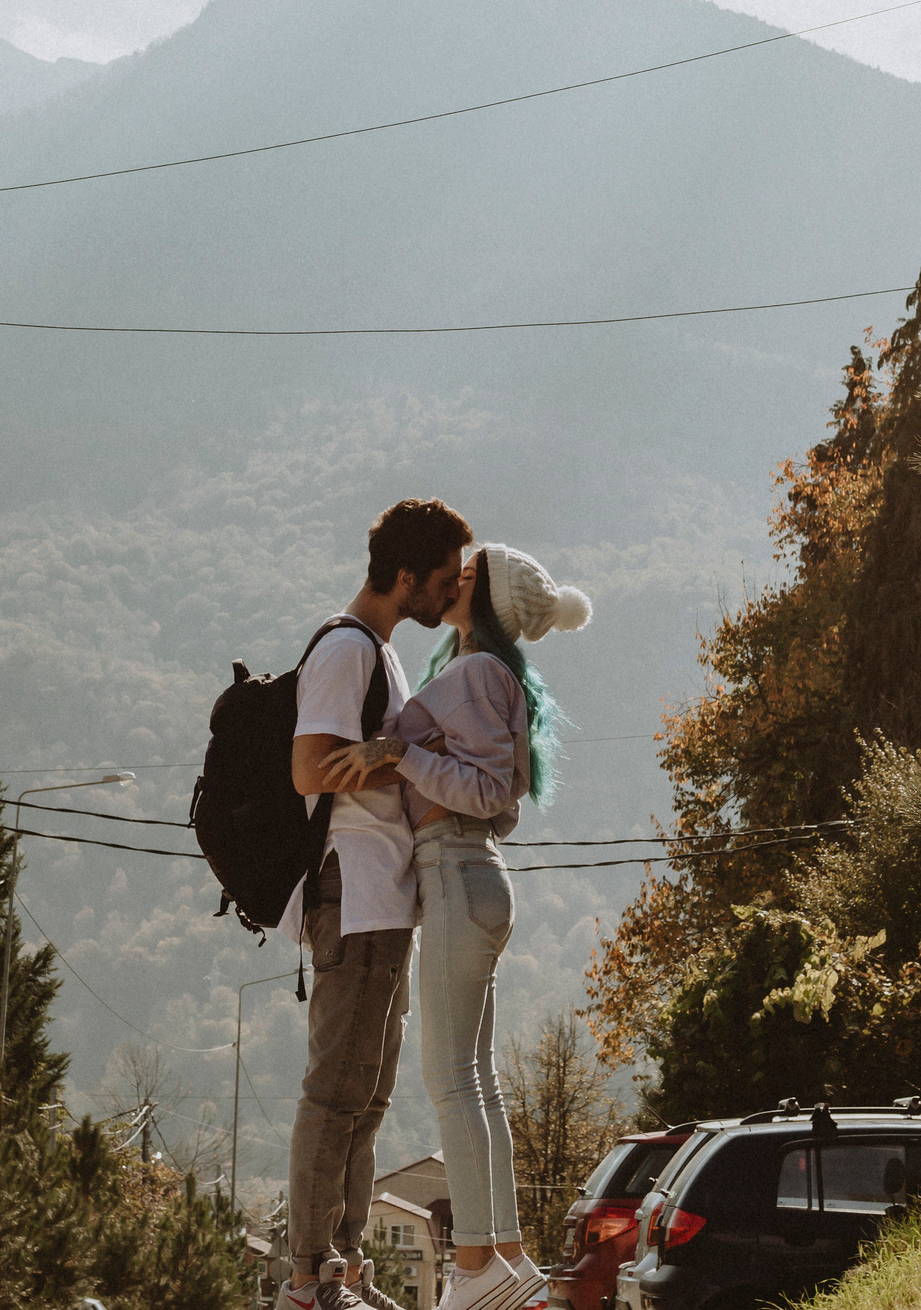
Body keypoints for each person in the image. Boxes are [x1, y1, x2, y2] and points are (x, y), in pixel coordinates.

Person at [328, 543, 593, 1310]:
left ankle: (475, 1265)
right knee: (478, 1080)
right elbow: (502, 797)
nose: (454, 579)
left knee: (451, 1079)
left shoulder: (478, 673)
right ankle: (504, 1256)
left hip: (453, 871)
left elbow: (480, 792)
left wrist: (400, 752)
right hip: (477, 876)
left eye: (469, 576)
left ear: (491, 603)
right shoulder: (498, 676)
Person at [281, 498, 474, 1310]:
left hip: (385, 902)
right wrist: (409, 760)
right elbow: (310, 768)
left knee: (368, 1092)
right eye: (441, 579)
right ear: (404, 576)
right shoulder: (347, 649)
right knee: (335, 1090)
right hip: (351, 892)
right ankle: (305, 1276)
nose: (447, 593)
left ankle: (345, 1265)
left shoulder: (385, 655)